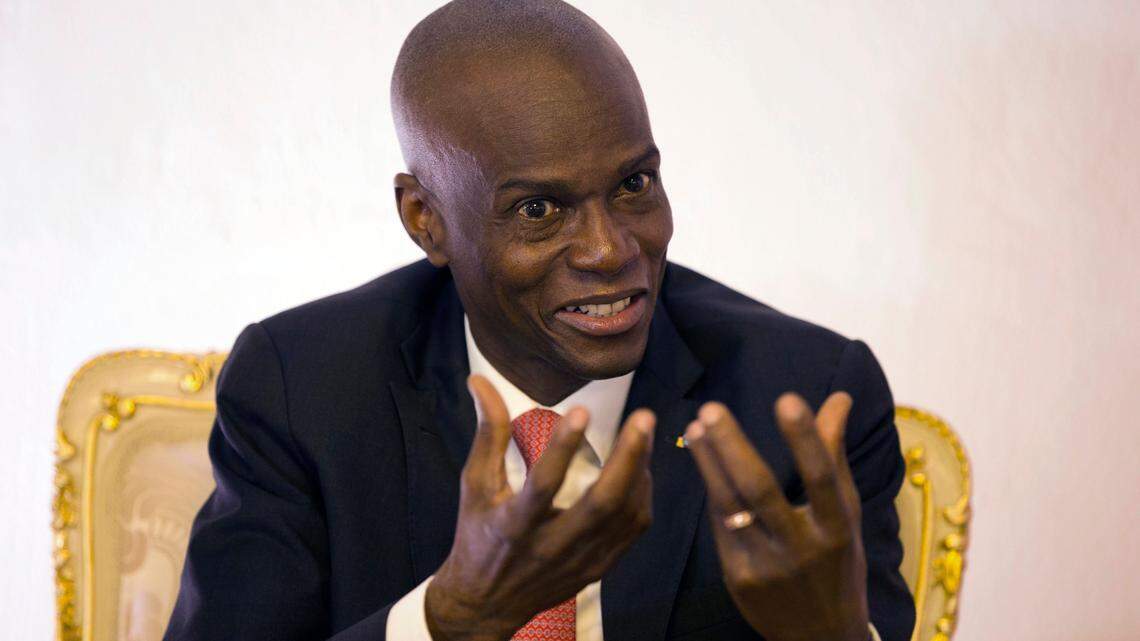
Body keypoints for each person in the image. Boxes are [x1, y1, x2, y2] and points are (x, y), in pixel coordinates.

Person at [163, 1, 915, 640]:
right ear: (426, 221)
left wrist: (836, 634)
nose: (611, 249)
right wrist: (451, 615)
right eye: (538, 209)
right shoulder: (303, 389)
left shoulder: (806, 399)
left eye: (633, 184)